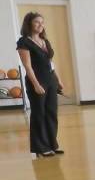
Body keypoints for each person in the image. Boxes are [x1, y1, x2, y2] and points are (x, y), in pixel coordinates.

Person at [17, 11, 67, 157]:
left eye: (42, 22)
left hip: (51, 81)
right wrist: (36, 84)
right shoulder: (24, 42)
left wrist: (58, 80)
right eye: (37, 22)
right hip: (37, 81)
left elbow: (50, 63)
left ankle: (52, 144)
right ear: (29, 24)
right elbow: (27, 66)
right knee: (39, 114)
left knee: (52, 113)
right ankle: (41, 147)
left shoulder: (45, 41)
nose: (41, 25)